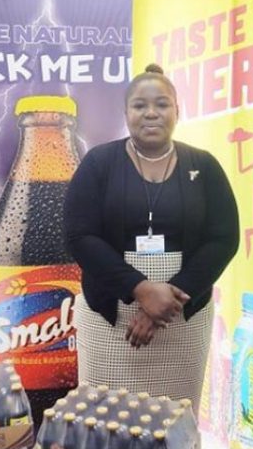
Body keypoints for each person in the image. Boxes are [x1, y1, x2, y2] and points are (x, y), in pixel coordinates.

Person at [64, 63, 239, 411]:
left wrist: (167, 303)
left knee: (172, 423)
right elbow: (79, 235)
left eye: (162, 104)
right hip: (111, 318)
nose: (151, 113)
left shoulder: (203, 166)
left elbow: (224, 238)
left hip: (183, 319)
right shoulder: (99, 163)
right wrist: (141, 290)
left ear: (178, 110)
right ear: (126, 112)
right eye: (140, 106)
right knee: (107, 420)